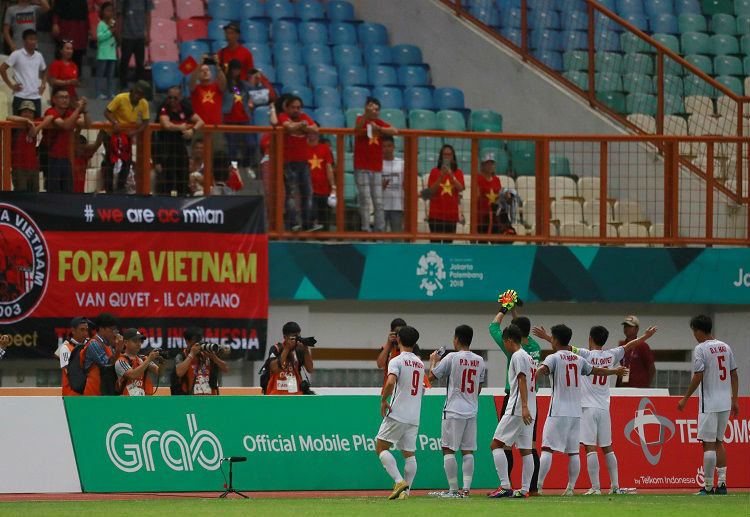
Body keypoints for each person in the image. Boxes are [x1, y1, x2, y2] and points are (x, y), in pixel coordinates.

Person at [536, 323, 658, 495]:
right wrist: (645, 336)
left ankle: (595, 487)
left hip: (586, 408)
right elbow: (630, 345)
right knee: (608, 447)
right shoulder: (612, 354)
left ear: (590, 339)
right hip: (604, 407)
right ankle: (615, 485)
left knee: (589, 448)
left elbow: (564, 347)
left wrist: (546, 337)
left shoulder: (584, 354)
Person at [678, 314, 739, 495]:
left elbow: (698, 375)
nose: (694, 335)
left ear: (698, 330)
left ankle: (707, 486)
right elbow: (734, 373)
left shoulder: (701, 349)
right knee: (719, 442)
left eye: (693, 332)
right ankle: (721, 485)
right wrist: (734, 399)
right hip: (725, 402)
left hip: (709, 403)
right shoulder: (725, 347)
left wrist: (686, 397)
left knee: (708, 444)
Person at [489, 290, 542, 494]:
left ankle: (505, 486)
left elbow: (520, 379)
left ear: (510, 339)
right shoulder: (531, 353)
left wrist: (507, 307)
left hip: (518, 405)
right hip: (530, 406)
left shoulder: (518, 356)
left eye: (505, 340)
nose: (503, 344)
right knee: (526, 449)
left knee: (496, 445)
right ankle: (526, 489)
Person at [428, 324, 486, 498]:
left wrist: (433, 361)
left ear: (457, 339)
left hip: (453, 410)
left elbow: (431, 377)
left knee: (448, 449)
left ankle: (453, 490)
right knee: (468, 450)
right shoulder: (480, 360)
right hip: (471, 410)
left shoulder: (452, 357)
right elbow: (479, 387)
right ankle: (466, 490)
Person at [375, 325, 423, 500]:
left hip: (398, 413)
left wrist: (383, 400)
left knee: (381, 447)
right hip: (414, 416)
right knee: (409, 454)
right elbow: (422, 389)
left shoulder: (396, 360)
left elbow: (390, 383)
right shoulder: (419, 363)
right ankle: (406, 492)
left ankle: (398, 481)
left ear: (399, 340)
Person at [354, 97, 397, 233]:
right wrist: (366, 115)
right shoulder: (361, 119)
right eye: (372, 108)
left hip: (376, 168)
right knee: (365, 200)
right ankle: (365, 229)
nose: (375, 112)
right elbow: (357, 128)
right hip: (361, 167)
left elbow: (394, 131)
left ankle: (380, 231)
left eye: (377, 109)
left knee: (378, 201)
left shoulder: (379, 123)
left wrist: (379, 128)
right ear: (366, 107)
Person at [153, 85, 204, 195]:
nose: (172, 100)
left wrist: (192, 131)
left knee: (183, 180)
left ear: (180, 97)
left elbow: (200, 121)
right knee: (167, 182)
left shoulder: (184, 106)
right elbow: (166, 125)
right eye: (169, 97)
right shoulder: (163, 107)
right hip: (165, 148)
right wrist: (180, 127)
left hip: (180, 148)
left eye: (175, 98)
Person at [278, 95, 318, 231]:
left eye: (299, 108)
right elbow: (288, 127)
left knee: (307, 192)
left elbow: (315, 129)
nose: (296, 110)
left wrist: (300, 127)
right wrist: (302, 126)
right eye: (294, 107)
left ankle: (308, 223)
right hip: (288, 163)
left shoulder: (304, 116)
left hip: (303, 162)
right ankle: (292, 223)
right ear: (287, 108)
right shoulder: (282, 116)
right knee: (291, 193)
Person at [103, 80, 150, 192]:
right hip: (111, 134)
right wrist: (115, 122)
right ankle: (109, 190)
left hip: (127, 136)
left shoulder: (143, 103)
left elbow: (146, 122)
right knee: (110, 161)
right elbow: (107, 112)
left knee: (127, 162)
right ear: (133, 90)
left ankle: (120, 188)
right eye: (137, 92)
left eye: (141, 94)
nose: (138, 95)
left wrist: (135, 132)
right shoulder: (120, 98)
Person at [42, 89, 89, 192]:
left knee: (67, 190)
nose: (65, 100)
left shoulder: (69, 113)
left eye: (67, 97)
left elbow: (87, 124)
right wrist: (77, 110)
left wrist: (84, 110)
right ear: (54, 100)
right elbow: (65, 125)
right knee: (53, 191)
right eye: (62, 97)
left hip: (66, 158)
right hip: (51, 158)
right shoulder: (50, 112)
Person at [0, 28, 46, 116]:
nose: (33, 41)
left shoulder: (39, 56)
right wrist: (11, 85)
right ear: (24, 40)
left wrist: (43, 85)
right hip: (20, 95)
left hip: (35, 96)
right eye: (30, 39)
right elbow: (2, 69)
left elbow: (44, 71)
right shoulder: (17, 54)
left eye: (35, 39)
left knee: (35, 125)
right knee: (17, 127)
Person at [173, 327, 229, 395]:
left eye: (198, 341)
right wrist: (192, 354)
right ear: (187, 341)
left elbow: (226, 369)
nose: (197, 344)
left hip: (210, 400)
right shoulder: (182, 356)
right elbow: (179, 373)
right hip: (190, 400)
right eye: (194, 341)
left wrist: (214, 357)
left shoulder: (207, 354)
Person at [7, 100, 48, 191]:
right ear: (20, 113)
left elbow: (49, 118)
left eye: (30, 112)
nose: (28, 114)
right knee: (21, 194)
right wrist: (26, 121)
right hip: (19, 168)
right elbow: (8, 117)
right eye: (25, 112)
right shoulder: (14, 126)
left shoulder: (35, 123)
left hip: (33, 168)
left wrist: (37, 127)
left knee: (34, 195)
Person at [426, 144, 464, 243]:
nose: (447, 157)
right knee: (435, 246)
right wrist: (441, 177)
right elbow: (430, 191)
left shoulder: (458, 172)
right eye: (445, 155)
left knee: (448, 246)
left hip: (451, 215)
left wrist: (451, 175)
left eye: (449, 155)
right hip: (436, 215)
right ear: (441, 156)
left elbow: (460, 188)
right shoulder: (434, 171)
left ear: (453, 157)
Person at [222, 58, 256, 171]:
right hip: (230, 118)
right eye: (234, 69)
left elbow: (256, 92)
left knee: (251, 144)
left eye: (238, 70)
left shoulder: (244, 84)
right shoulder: (224, 84)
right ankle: (234, 170)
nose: (236, 72)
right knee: (232, 147)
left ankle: (246, 163)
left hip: (244, 117)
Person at [264, 322, 314, 395]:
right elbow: (274, 368)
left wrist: (305, 350)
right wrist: (287, 348)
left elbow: (310, 369)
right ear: (285, 337)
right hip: (276, 395)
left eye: (298, 337)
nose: (296, 340)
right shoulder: (276, 348)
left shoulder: (298, 350)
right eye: (293, 337)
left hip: (295, 394)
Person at [82, 312, 122, 396]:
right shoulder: (94, 344)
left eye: (116, 330)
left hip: (105, 391)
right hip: (93, 393)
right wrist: (118, 350)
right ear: (101, 328)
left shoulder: (108, 345)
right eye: (112, 329)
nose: (115, 333)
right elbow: (107, 366)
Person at [117, 0, 153, 88]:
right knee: (124, 62)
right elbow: (120, 16)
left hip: (140, 36)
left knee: (140, 64)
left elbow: (148, 14)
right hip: (126, 36)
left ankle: (139, 88)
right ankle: (123, 86)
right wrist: (119, 33)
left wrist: (148, 34)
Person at [115, 328, 160, 396]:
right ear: (126, 342)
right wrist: (149, 359)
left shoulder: (143, 358)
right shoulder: (121, 361)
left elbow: (159, 372)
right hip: (126, 402)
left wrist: (162, 362)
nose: (139, 344)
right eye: (135, 341)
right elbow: (133, 375)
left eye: (140, 341)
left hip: (143, 401)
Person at [616, 315, 655, 388]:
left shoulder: (643, 345)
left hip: (639, 388)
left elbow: (651, 368)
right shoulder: (622, 345)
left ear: (637, 329)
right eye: (625, 326)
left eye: (630, 326)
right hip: (624, 387)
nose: (626, 328)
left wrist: (646, 385)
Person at [55, 316, 89, 396]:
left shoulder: (89, 344)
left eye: (86, 330)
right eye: (82, 330)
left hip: (87, 394)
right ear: (73, 331)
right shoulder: (65, 348)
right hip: (71, 395)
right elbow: (70, 373)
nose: (85, 333)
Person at [308, 132, 335, 231]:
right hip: (309, 189)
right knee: (310, 216)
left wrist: (333, 187)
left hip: (323, 188)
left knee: (325, 221)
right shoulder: (303, 148)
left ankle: (324, 241)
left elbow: (329, 168)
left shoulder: (325, 149)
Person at [51, 0, 88, 71]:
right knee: (63, 52)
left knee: (77, 54)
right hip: (64, 28)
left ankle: (75, 77)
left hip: (79, 31)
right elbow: (56, 10)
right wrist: (55, 23)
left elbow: (85, 17)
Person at [190, 56, 226, 127]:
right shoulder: (195, 88)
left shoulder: (217, 87)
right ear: (198, 75)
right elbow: (192, 79)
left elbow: (223, 81)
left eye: (207, 70)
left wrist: (217, 66)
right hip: (199, 127)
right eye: (202, 70)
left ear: (211, 73)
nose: (205, 72)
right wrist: (199, 64)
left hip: (216, 127)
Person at [381, 135, 404, 232]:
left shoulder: (402, 163)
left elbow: (406, 184)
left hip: (397, 206)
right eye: (384, 146)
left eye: (389, 146)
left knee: (397, 237)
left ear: (394, 147)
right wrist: (380, 187)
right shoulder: (377, 163)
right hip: (381, 206)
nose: (386, 149)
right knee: (379, 238)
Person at [95, 2, 116, 100]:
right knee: (100, 75)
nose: (109, 13)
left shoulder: (113, 23)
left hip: (112, 54)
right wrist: (110, 32)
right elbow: (99, 37)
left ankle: (111, 93)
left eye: (111, 11)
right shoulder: (101, 24)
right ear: (102, 12)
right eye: (107, 11)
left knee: (110, 76)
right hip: (103, 54)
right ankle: (98, 93)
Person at [73, 129, 105, 193]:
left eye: (83, 147)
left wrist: (103, 130)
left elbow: (97, 144)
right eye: (79, 146)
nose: (81, 149)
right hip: (68, 192)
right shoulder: (69, 157)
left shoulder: (84, 157)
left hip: (80, 193)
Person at [477, 152, 502, 235]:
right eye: (488, 163)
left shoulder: (496, 179)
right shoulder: (478, 178)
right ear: (483, 165)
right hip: (481, 216)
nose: (490, 165)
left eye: (492, 163)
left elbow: (499, 196)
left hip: (494, 216)